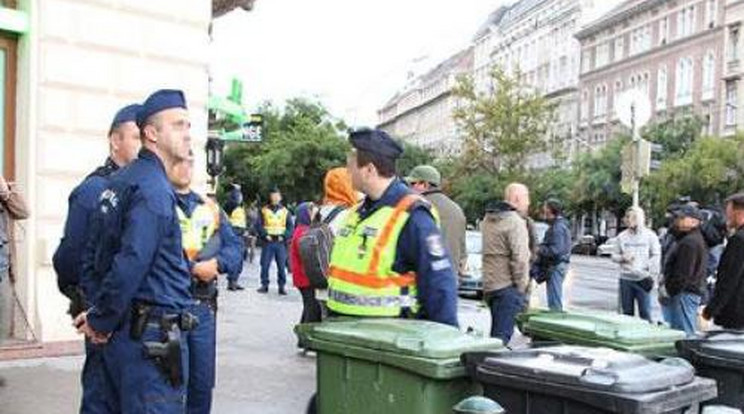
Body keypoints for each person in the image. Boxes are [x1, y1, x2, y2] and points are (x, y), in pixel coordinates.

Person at [75, 89, 195, 413]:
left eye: (188, 126)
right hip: (150, 343)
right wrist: (100, 320)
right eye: (178, 125)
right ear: (151, 134)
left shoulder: (119, 181)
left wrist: (99, 313)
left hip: (125, 335)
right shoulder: (154, 190)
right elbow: (131, 260)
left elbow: (93, 256)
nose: (187, 134)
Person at [52, 103, 139, 413]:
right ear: (115, 141)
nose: (143, 146)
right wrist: (89, 301)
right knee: (100, 400)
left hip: (132, 320)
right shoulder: (95, 189)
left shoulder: (140, 189)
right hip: (103, 315)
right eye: (135, 138)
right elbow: (69, 257)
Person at [326, 128, 458, 327]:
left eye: (350, 164)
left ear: (369, 170)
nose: (347, 171)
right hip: (345, 335)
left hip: (389, 341)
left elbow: (440, 285)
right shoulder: (356, 212)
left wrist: (444, 341)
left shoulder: (412, 215)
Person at [168, 153, 242, 414]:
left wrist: (218, 265)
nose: (184, 167)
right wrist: (192, 268)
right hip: (169, 305)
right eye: (177, 161)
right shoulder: (157, 202)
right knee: (171, 384)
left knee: (201, 384)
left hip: (203, 307)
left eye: (189, 162)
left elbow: (235, 248)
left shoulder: (210, 207)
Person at [481, 183, 531, 343]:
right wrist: (522, 286)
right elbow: (520, 258)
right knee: (501, 340)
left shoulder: (488, 219)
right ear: (516, 199)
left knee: (496, 335)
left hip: (490, 284)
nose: (528, 202)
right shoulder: (514, 222)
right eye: (526, 198)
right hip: (507, 287)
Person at [406, 165, 467, 276]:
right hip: (450, 280)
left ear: (424, 184)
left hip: (423, 280)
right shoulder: (457, 209)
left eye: (412, 183)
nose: (409, 188)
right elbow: (463, 252)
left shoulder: (417, 207)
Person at [661, 204, 708, 336]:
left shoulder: (689, 242)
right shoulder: (691, 239)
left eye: (682, 217)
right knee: (683, 330)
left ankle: (685, 356)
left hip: (684, 293)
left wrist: (671, 290)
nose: (677, 220)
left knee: (683, 332)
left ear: (694, 221)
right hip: (687, 291)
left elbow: (683, 273)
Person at [611, 207, 661, 322]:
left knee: (645, 312)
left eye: (633, 217)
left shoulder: (650, 235)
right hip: (626, 278)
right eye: (627, 217)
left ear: (640, 219)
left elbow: (656, 255)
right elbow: (614, 256)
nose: (629, 220)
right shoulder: (622, 236)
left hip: (643, 278)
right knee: (626, 312)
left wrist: (648, 269)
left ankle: (647, 334)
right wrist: (622, 258)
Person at [703, 193, 744, 329]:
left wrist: (710, 311)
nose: (727, 217)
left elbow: (729, 279)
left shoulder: (738, 240)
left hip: (736, 313)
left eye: (729, 211)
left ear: (739, 212)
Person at [290, 202, 322, 335]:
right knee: (312, 308)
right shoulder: (304, 232)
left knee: (309, 307)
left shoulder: (301, 230)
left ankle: (302, 335)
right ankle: (305, 337)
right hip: (306, 278)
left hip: (303, 277)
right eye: (312, 212)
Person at [535, 198, 572, 311]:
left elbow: (556, 250)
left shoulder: (557, 228)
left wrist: (538, 249)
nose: (543, 212)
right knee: (554, 297)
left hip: (555, 266)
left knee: (554, 299)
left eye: (545, 209)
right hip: (557, 265)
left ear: (551, 211)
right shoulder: (560, 226)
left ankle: (556, 319)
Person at [256, 187, 293, 295]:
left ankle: (281, 286)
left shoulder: (285, 212)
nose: (275, 198)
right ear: (270, 197)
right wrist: (264, 235)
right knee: (265, 264)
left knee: (281, 265)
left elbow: (290, 227)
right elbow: (259, 225)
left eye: (277, 196)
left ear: (280, 198)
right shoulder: (264, 210)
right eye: (273, 196)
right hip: (268, 241)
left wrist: (285, 236)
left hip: (280, 242)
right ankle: (264, 285)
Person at [226, 184, 246, 291]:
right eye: (238, 194)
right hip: (234, 233)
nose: (240, 196)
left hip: (240, 233)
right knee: (234, 258)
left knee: (239, 259)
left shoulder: (240, 207)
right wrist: (235, 190)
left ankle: (235, 280)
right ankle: (231, 281)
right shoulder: (231, 204)